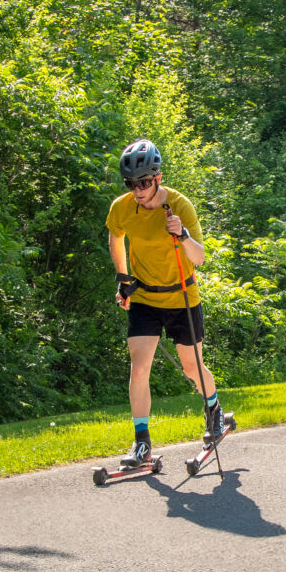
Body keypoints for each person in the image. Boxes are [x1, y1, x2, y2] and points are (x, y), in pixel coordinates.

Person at [106, 139, 227, 467]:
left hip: (181, 296)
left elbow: (200, 258)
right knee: (139, 363)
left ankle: (214, 410)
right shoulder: (121, 208)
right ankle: (141, 442)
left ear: (157, 178)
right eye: (132, 184)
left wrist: (184, 234)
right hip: (145, 297)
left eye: (144, 182)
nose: (138, 190)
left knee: (191, 367)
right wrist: (123, 278)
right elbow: (116, 237)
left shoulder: (178, 205)